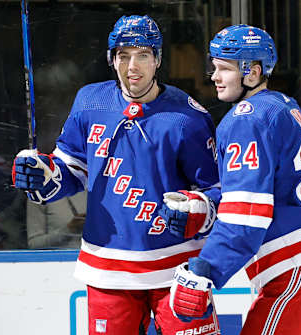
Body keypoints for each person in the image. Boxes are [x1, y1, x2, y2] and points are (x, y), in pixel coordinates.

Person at [12, 15, 221, 335]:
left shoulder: (187, 117)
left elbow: (217, 191)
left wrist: (199, 209)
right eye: (123, 55)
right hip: (108, 270)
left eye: (143, 55)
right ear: (112, 60)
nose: (132, 66)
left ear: (158, 60)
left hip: (178, 270)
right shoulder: (89, 101)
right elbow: (72, 169)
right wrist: (46, 176)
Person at [165, 24, 301, 335]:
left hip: (299, 262)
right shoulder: (281, 105)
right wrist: (209, 203)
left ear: (252, 72)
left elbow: (247, 214)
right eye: (215, 67)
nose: (214, 77)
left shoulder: (245, 119)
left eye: (224, 68)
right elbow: (270, 185)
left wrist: (205, 270)